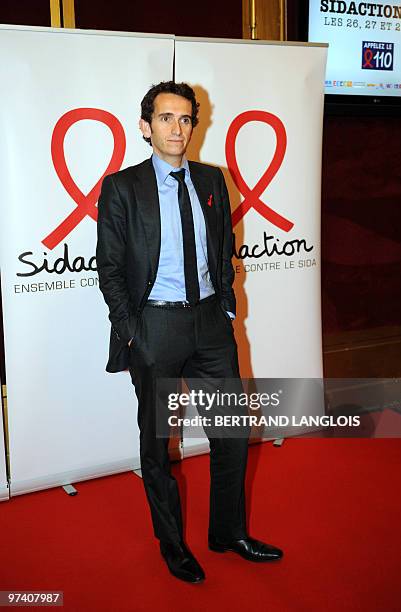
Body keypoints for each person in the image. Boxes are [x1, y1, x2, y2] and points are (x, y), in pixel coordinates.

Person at [96, 81, 283, 583]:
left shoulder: (212, 180)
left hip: (208, 323)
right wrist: (131, 329)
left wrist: (225, 304)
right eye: (165, 118)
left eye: (185, 119)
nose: (177, 128)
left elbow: (222, 251)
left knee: (232, 435)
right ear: (145, 126)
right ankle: (172, 543)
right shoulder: (122, 187)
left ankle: (228, 533)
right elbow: (109, 268)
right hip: (153, 326)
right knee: (158, 442)